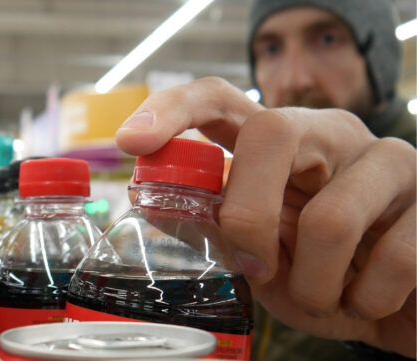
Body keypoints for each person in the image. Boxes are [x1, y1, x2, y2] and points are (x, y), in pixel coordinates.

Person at [115, 0, 416, 360]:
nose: (294, 78)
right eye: (271, 48)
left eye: (327, 39)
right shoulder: (243, 191)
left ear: (375, 55)